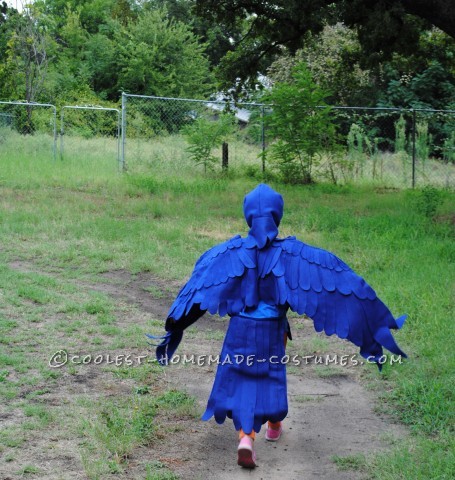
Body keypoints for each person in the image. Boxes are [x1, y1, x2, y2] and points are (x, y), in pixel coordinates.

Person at [149, 184, 407, 468]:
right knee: (270, 374)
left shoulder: (224, 254)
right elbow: (345, 288)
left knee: (241, 378)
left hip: (239, 331)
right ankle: (272, 426)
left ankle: (246, 437)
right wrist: (374, 325)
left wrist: (175, 327)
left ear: (248, 216)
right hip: (273, 330)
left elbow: (196, 289)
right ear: (277, 215)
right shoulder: (298, 256)